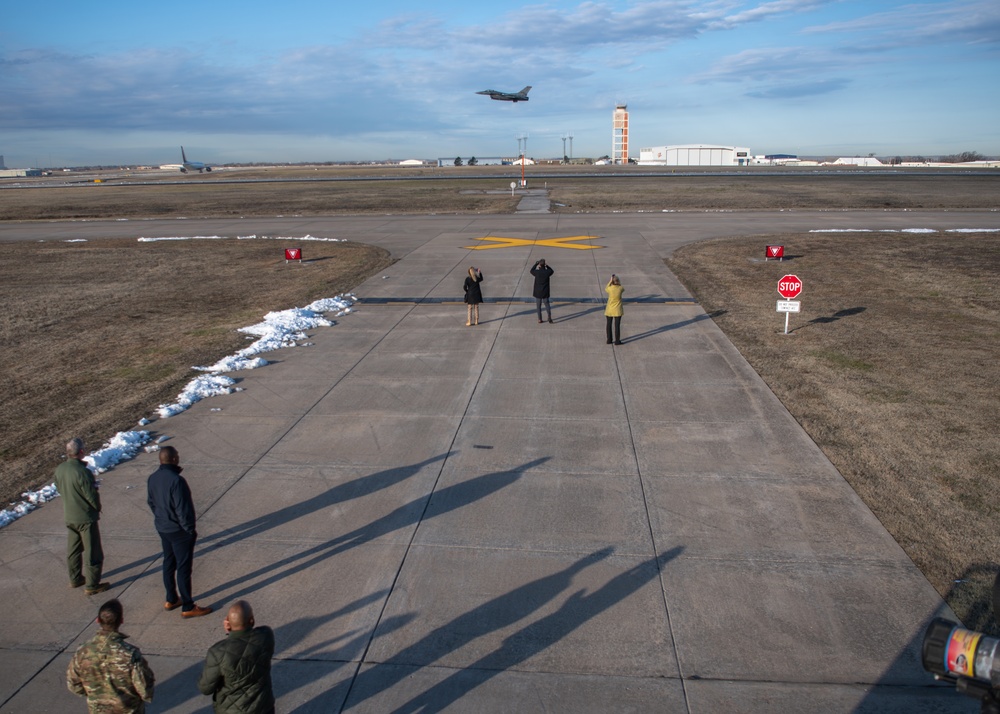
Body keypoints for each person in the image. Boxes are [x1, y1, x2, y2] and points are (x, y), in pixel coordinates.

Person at [146, 445, 212, 618]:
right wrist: (189, 530)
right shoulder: (177, 481)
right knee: (183, 568)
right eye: (177, 455)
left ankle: (171, 598)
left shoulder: (152, 478)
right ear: (174, 459)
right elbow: (183, 510)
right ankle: (188, 606)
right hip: (179, 531)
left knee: (169, 562)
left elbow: (151, 502)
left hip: (163, 528)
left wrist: (161, 518)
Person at [67, 598, 155, 713]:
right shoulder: (130, 654)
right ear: (121, 621)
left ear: (97, 620)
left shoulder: (82, 651)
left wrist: (95, 697)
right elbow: (144, 689)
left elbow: (73, 684)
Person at [198, 600, 275, 714]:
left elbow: (206, 688)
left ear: (227, 622)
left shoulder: (217, 652)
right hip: (263, 707)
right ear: (252, 619)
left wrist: (230, 633)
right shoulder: (265, 636)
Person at [54, 437, 109, 596]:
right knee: (93, 551)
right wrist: (97, 507)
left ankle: (75, 578)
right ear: (82, 452)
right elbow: (91, 496)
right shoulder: (83, 472)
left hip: (70, 517)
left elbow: (59, 487)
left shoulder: (60, 469)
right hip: (85, 518)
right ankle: (92, 585)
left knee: (73, 550)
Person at [530, 258, 554, 323]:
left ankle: (539, 319)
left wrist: (536, 264)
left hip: (538, 292)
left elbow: (531, 270)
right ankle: (549, 317)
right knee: (547, 305)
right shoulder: (547, 272)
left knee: (538, 306)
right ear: (544, 265)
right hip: (545, 292)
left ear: (539, 265)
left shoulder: (537, 272)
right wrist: (547, 266)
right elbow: (552, 271)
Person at [605, 274, 624, 345]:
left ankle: (609, 339)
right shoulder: (620, 288)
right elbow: (622, 288)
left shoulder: (610, 289)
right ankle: (617, 340)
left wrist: (610, 281)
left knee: (608, 324)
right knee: (617, 325)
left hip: (609, 309)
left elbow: (606, 288)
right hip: (617, 310)